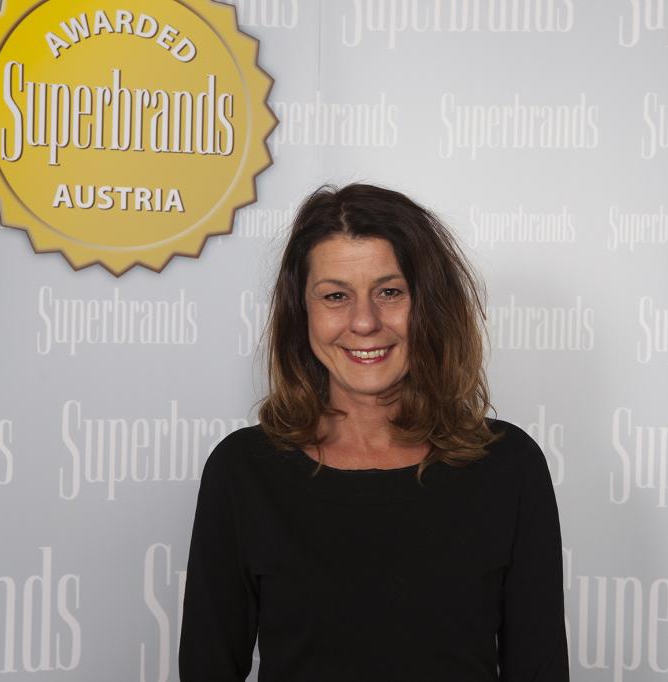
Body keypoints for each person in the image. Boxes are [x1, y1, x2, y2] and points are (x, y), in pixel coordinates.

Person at [178, 183, 569, 681]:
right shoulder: (243, 471)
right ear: (302, 313)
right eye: (335, 296)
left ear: (429, 304)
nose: (364, 321)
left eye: (389, 292)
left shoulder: (508, 465)